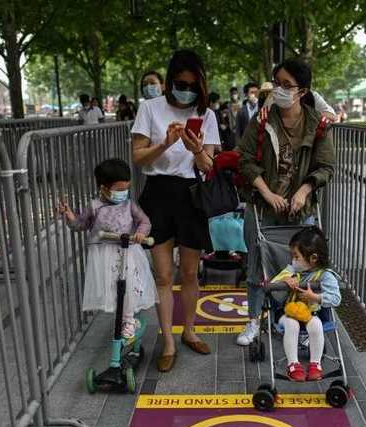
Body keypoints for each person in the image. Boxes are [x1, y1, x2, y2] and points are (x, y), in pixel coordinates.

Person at [131, 49, 220, 372]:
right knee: (164, 275)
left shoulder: (206, 114)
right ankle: (168, 340)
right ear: (170, 81)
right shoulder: (150, 109)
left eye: (193, 85)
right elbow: (138, 158)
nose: (187, 90)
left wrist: (196, 150)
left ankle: (191, 331)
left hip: (191, 195)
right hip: (158, 194)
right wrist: (166, 143)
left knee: (189, 272)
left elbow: (208, 166)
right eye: (181, 83)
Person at [236, 57, 334, 347]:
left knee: (303, 267)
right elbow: (244, 160)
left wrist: (304, 190)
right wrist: (267, 193)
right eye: (276, 83)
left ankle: (301, 320)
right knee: (257, 263)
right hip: (263, 206)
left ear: (302, 91)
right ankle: (254, 320)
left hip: (299, 209)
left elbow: (325, 167)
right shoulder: (263, 119)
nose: (278, 89)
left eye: (286, 85)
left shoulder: (318, 125)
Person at [57, 158, 157, 339]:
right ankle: (123, 319)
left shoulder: (129, 205)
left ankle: (129, 319)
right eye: (119, 190)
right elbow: (79, 225)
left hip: (127, 253)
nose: (123, 193)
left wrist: (141, 233)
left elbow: (144, 221)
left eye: (126, 189)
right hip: (104, 255)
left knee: (128, 287)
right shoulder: (94, 206)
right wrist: (69, 215)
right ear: (103, 188)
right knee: (113, 289)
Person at [272, 226, 340, 381]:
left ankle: (315, 364)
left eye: (296, 256)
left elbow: (335, 298)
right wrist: (284, 280)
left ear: (313, 258)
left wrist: (315, 297)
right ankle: (293, 365)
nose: (293, 260)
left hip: (311, 314)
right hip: (287, 313)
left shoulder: (324, 276)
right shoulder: (291, 269)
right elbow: (272, 286)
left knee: (316, 324)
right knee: (292, 325)